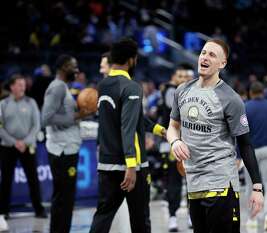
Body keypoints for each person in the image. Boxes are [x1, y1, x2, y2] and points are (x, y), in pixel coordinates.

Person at [167, 38, 264, 233]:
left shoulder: (231, 99)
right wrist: (175, 141)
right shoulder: (182, 91)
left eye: (212, 55)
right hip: (194, 185)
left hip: (221, 185)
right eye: (203, 53)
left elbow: (245, 144)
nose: (205, 57)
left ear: (222, 63)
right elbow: (172, 126)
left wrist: (257, 187)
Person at [89, 38, 165, 233]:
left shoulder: (103, 85)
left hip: (106, 163)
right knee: (140, 221)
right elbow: (128, 126)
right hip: (132, 167)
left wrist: (157, 129)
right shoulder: (131, 87)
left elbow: (132, 119)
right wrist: (131, 165)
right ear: (132, 60)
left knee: (102, 217)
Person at [41, 55, 91, 233]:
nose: (76, 70)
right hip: (62, 151)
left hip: (67, 148)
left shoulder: (63, 87)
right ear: (63, 67)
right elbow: (46, 118)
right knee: (63, 198)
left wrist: (80, 112)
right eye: (73, 66)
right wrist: (76, 116)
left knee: (65, 198)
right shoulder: (57, 88)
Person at [0, 74, 47, 232]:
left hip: (28, 146)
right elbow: (0, 127)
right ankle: (4, 211)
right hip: (8, 146)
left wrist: (25, 142)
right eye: (19, 84)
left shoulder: (31, 102)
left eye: (23, 84)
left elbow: (36, 125)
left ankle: (39, 209)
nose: (23, 87)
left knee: (33, 178)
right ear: (12, 86)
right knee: (6, 179)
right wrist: (15, 142)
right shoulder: (3, 104)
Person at [158, 63, 194, 232]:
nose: (183, 80)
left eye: (186, 77)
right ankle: (173, 216)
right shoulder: (170, 92)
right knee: (174, 182)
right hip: (172, 144)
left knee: (192, 183)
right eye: (180, 77)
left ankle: (190, 215)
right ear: (175, 78)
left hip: (192, 144)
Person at [244, 81, 267, 231]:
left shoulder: (245, 107)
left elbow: (241, 133)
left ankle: (253, 218)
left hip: (252, 151)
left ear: (251, 93)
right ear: (263, 92)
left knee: (252, 187)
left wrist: (238, 155)